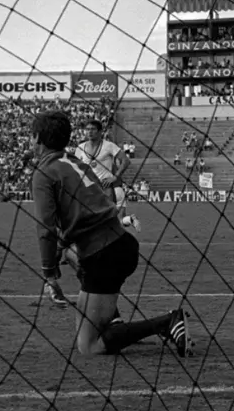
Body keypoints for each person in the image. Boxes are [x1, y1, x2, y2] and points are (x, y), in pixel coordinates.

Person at [30, 110, 192, 357]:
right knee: (75, 266)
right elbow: (91, 208)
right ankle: (113, 322)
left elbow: (45, 229)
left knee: (89, 346)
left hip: (104, 255)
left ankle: (168, 322)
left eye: (32, 137)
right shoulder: (76, 161)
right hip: (116, 244)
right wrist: (62, 248)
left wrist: (49, 275)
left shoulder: (44, 173)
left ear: (38, 138)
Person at [75, 120, 141, 233]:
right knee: (114, 223)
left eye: (93, 129)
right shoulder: (80, 148)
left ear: (100, 132)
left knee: (107, 224)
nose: (89, 132)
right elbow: (77, 167)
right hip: (91, 190)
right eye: (87, 129)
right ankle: (130, 220)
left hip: (109, 188)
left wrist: (115, 176)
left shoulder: (108, 146)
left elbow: (126, 160)